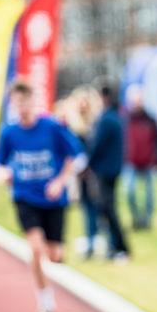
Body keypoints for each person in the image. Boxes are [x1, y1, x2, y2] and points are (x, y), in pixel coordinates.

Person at [0, 78, 82, 312]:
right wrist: (3, 174)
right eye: (17, 103)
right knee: (35, 249)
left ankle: (55, 258)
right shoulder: (9, 132)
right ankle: (46, 306)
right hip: (25, 197)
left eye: (26, 102)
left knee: (54, 255)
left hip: (53, 199)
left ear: (33, 102)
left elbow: (75, 156)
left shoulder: (51, 127)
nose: (22, 107)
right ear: (12, 104)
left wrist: (60, 182)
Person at [87, 83, 130, 261]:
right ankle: (116, 246)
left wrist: (88, 163)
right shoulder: (116, 116)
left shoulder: (106, 119)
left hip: (105, 169)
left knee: (107, 209)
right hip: (112, 168)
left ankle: (119, 246)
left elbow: (97, 145)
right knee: (108, 208)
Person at [66, 86, 102, 258]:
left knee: (97, 206)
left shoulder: (95, 124)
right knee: (86, 206)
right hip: (80, 172)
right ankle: (90, 240)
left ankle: (96, 239)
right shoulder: (73, 125)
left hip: (94, 171)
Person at [123, 84, 157, 230]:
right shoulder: (126, 119)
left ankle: (146, 221)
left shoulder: (150, 119)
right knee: (129, 192)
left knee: (149, 195)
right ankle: (136, 219)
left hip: (148, 161)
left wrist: (155, 158)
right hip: (131, 161)